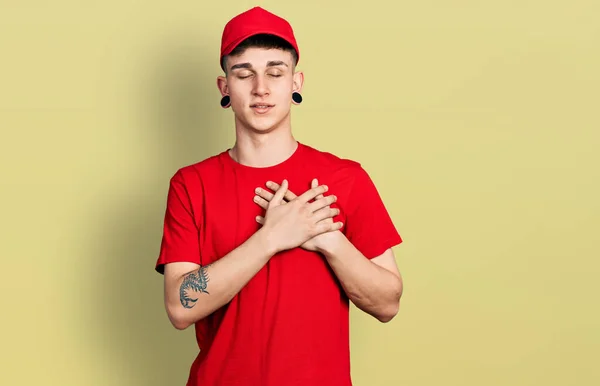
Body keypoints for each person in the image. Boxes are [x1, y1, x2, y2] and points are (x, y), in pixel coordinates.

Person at [154, 6, 404, 386]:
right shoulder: (191, 185)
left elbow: (388, 303)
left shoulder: (345, 178)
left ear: (296, 82)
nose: (261, 89)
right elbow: (179, 306)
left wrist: (328, 239)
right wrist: (271, 238)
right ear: (224, 87)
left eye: (275, 72)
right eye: (244, 74)